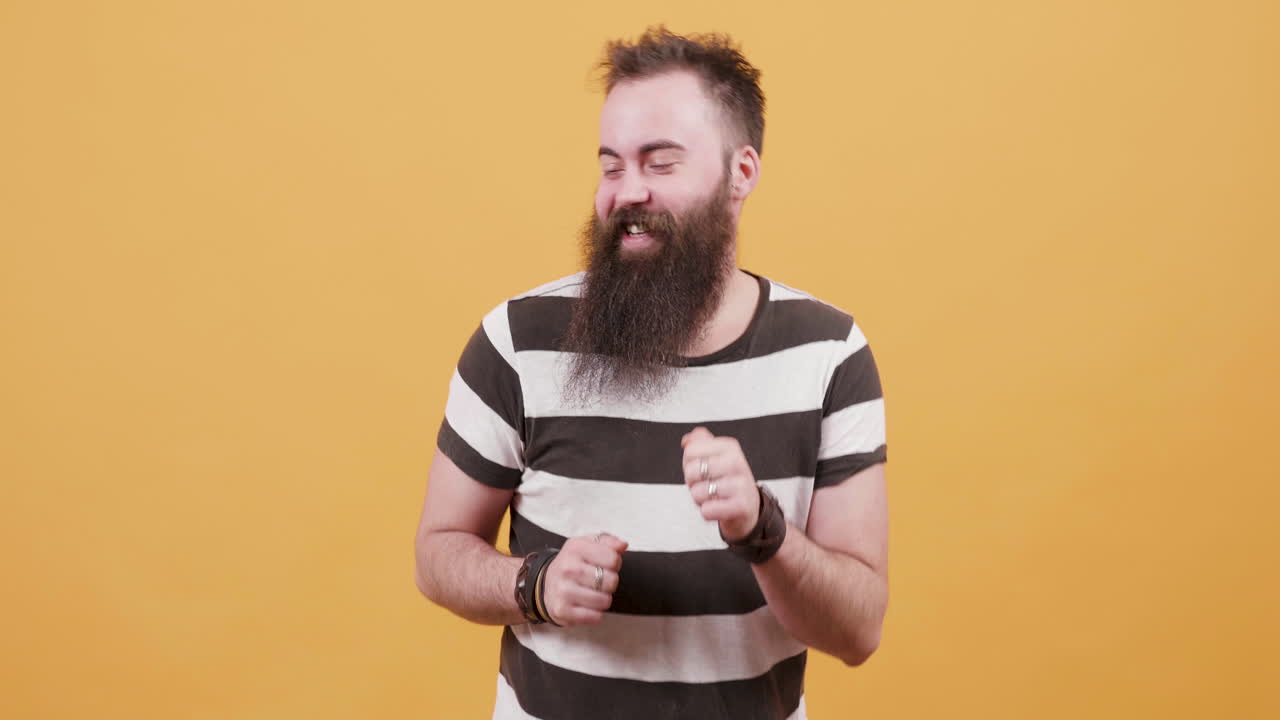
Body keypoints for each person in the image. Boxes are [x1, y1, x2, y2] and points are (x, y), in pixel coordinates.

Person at [414, 26, 889, 720]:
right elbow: (438, 553)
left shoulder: (830, 355)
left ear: (741, 173)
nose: (626, 192)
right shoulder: (517, 341)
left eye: (659, 163)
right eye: (611, 165)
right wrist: (534, 585)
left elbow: (858, 629)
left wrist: (764, 530)